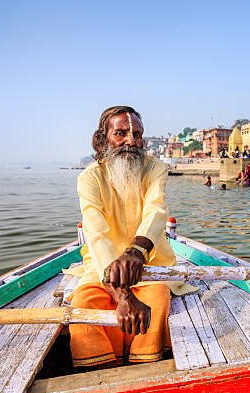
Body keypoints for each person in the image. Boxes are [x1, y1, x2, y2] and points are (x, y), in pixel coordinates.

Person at [71, 106, 183, 369]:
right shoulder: (89, 178)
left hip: (149, 263)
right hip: (101, 266)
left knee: (156, 299)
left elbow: (156, 212)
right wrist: (123, 297)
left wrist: (136, 252)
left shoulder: (155, 168)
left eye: (137, 134)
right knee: (84, 305)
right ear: (103, 139)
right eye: (121, 133)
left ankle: (143, 368)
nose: (131, 141)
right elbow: (96, 234)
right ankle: (101, 373)